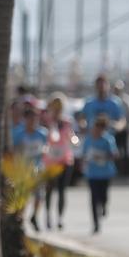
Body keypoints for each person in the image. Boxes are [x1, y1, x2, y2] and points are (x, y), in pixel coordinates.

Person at [12, 107, 49, 232]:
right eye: (30, 119)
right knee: (24, 197)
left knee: (39, 196)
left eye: (35, 119)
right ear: (25, 119)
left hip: (38, 169)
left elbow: (46, 147)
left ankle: (34, 216)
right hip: (23, 170)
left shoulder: (42, 133)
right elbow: (15, 151)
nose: (33, 122)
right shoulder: (19, 134)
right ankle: (20, 219)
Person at [43, 93, 76, 230]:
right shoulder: (46, 122)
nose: (57, 109)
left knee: (62, 190)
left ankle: (60, 218)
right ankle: (48, 217)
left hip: (64, 159)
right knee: (49, 190)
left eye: (59, 107)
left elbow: (72, 136)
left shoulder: (67, 122)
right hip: (50, 160)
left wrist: (75, 141)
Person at [82, 115, 119, 234]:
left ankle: (103, 206)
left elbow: (114, 155)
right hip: (92, 173)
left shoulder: (108, 140)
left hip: (105, 173)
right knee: (93, 198)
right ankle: (96, 223)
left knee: (103, 196)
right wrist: (86, 160)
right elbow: (83, 155)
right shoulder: (88, 140)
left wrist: (103, 156)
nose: (97, 130)